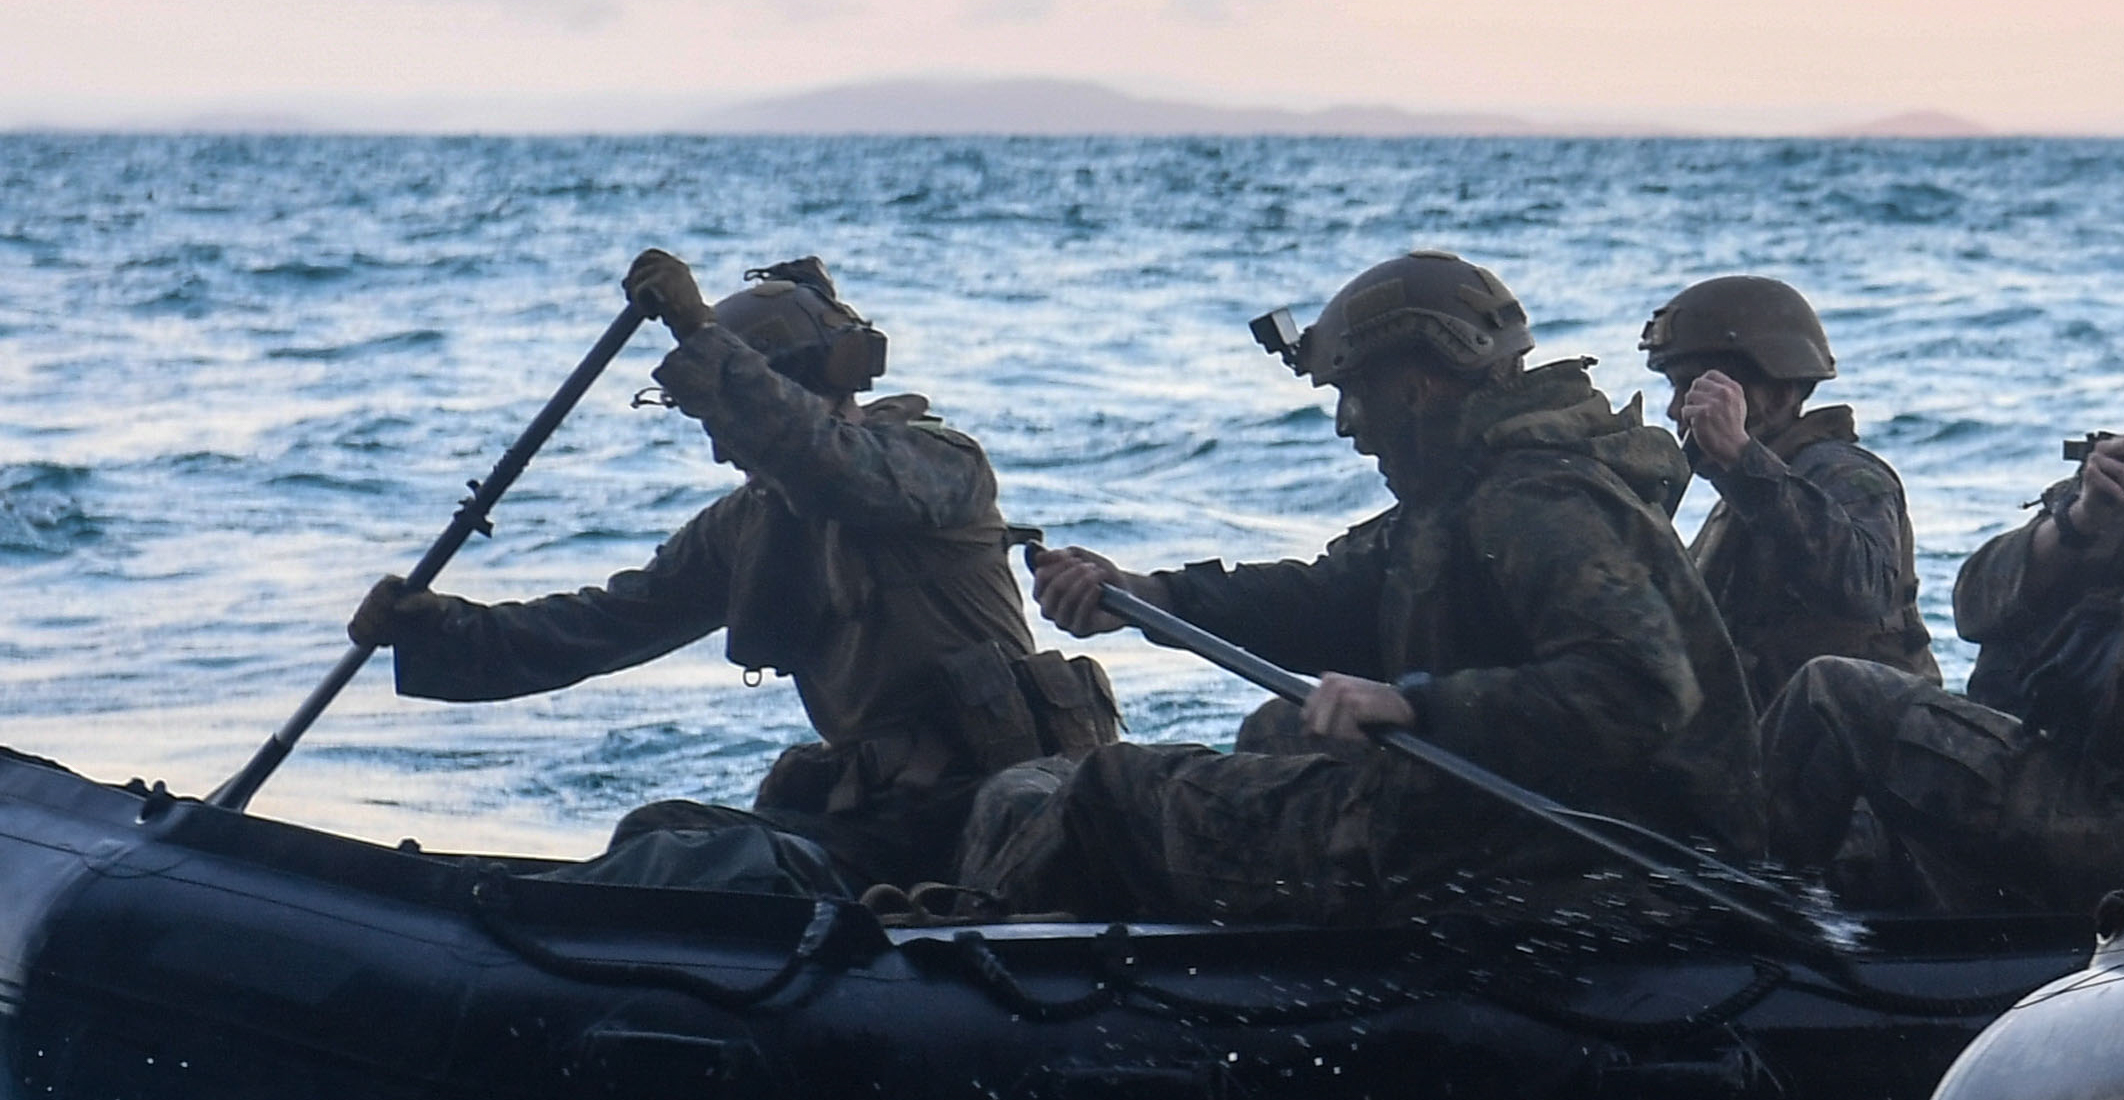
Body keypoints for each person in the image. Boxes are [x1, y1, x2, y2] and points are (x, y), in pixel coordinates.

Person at [957, 249, 1751, 926]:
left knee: (1102, 794)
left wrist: (1415, 705)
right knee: (1277, 728)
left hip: (1565, 845)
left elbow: (1640, 686)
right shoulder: (1472, 490)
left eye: (1352, 392)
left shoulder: (1535, 500)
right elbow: (1333, 597)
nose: (1345, 425)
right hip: (1520, 813)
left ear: (1416, 388)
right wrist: (1150, 595)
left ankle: (968, 956)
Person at [344, 251, 1109, 885]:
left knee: (710, 863)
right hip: (874, 830)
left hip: (996, 819)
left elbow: (831, 465)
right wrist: (439, 626)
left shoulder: (935, 465)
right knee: (660, 834)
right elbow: (603, 624)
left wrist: (696, 330)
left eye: (723, 414)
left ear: (784, 389)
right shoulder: (748, 526)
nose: (718, 447)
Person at [1750, 225, 2124, 911]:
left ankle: (1734, 935)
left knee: (1831, 695)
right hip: (2075, 779)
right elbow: (1974, 608)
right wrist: (2077, 526)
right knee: (1855, 838)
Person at [1649, 274, 1936, 696]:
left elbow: (1863, 588)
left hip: (1852, 739)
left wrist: (1742, 460)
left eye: (1695, 386)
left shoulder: (1842, 475)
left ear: (1780, 394)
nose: (1677, 409)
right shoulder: (1746, 497)